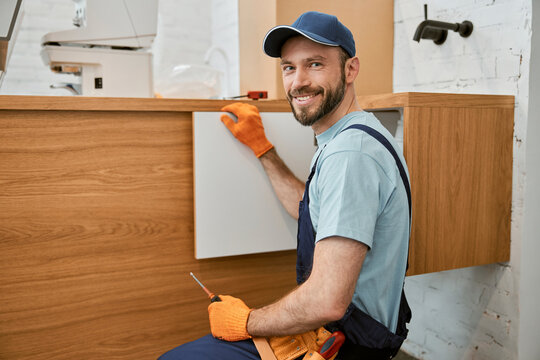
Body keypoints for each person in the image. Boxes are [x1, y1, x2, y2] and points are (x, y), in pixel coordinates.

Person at [159, 11, 411, 360]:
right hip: (339, 334)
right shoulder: (352, 137)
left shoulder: (350, 155)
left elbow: (327, 301)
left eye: (315, 64)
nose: (298, 81)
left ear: (350, 69)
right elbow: (311, 209)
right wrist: (263, 150)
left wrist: (245, 321)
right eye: (289, 67)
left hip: (344, 347)